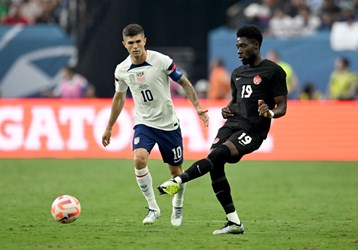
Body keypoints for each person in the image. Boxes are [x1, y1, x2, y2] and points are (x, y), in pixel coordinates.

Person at [158, 25, 287, 235]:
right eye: (237, 46)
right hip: (233, 124)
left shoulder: (273, 71)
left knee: (217, 155)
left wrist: (270, 113)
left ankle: (178, 181)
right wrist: (229, 109)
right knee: (214, 163)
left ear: (256, 45)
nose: (238, 50)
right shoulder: (237, 74)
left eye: (243, 46)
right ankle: (234, 222)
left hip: (253, 131)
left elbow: (282, 107)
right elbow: (237, 102)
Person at [101, 24, 209, 226]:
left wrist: (198, 107)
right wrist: (109, 127)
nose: (135, 46)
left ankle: (177, 205)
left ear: (145, 41)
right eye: (130, 43)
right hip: (144, 123)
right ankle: (153, 207)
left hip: (168, 124)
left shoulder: (161, 61)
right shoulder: (121, 70)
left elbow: (184, 82)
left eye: (138, 41)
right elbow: (119, 98)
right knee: (139, 159)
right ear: (124, 44)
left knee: (176, 172)